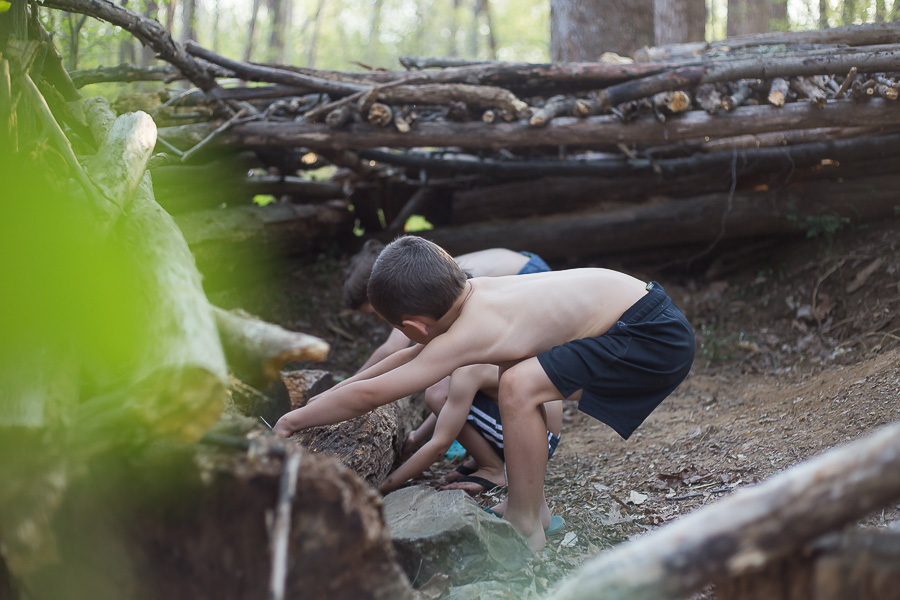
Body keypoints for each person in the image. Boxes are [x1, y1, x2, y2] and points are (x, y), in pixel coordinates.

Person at [275, 235, 695, 551]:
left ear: (415, 326)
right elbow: (394, 365)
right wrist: (319, 400)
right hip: (650, 319)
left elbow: (374, 395)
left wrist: (294, 420)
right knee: (516, 371)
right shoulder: (478, 294)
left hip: (649, 336)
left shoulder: (471, 332)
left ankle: (526, 521)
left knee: (518, 383)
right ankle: (535, 509)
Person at [343, 239, 552, 489]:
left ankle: (493, 467)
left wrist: (348, 385)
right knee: (453, 385)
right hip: (528, 268)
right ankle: (490, 455)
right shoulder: (431, 271)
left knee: (443, 389)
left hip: (527, 278)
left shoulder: (416, 292)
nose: (381, 318)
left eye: (375, 313)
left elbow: (394, 349)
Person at [378, 363, 563, 496]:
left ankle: (493, 468)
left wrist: (384, 486)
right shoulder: (475, 350)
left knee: (437, 392)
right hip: (538, 434)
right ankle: (492, 458)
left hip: (534, 443)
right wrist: (416, 438)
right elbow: (455, 404)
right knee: (444, 392)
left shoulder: (468, 370)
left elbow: (439, 445)